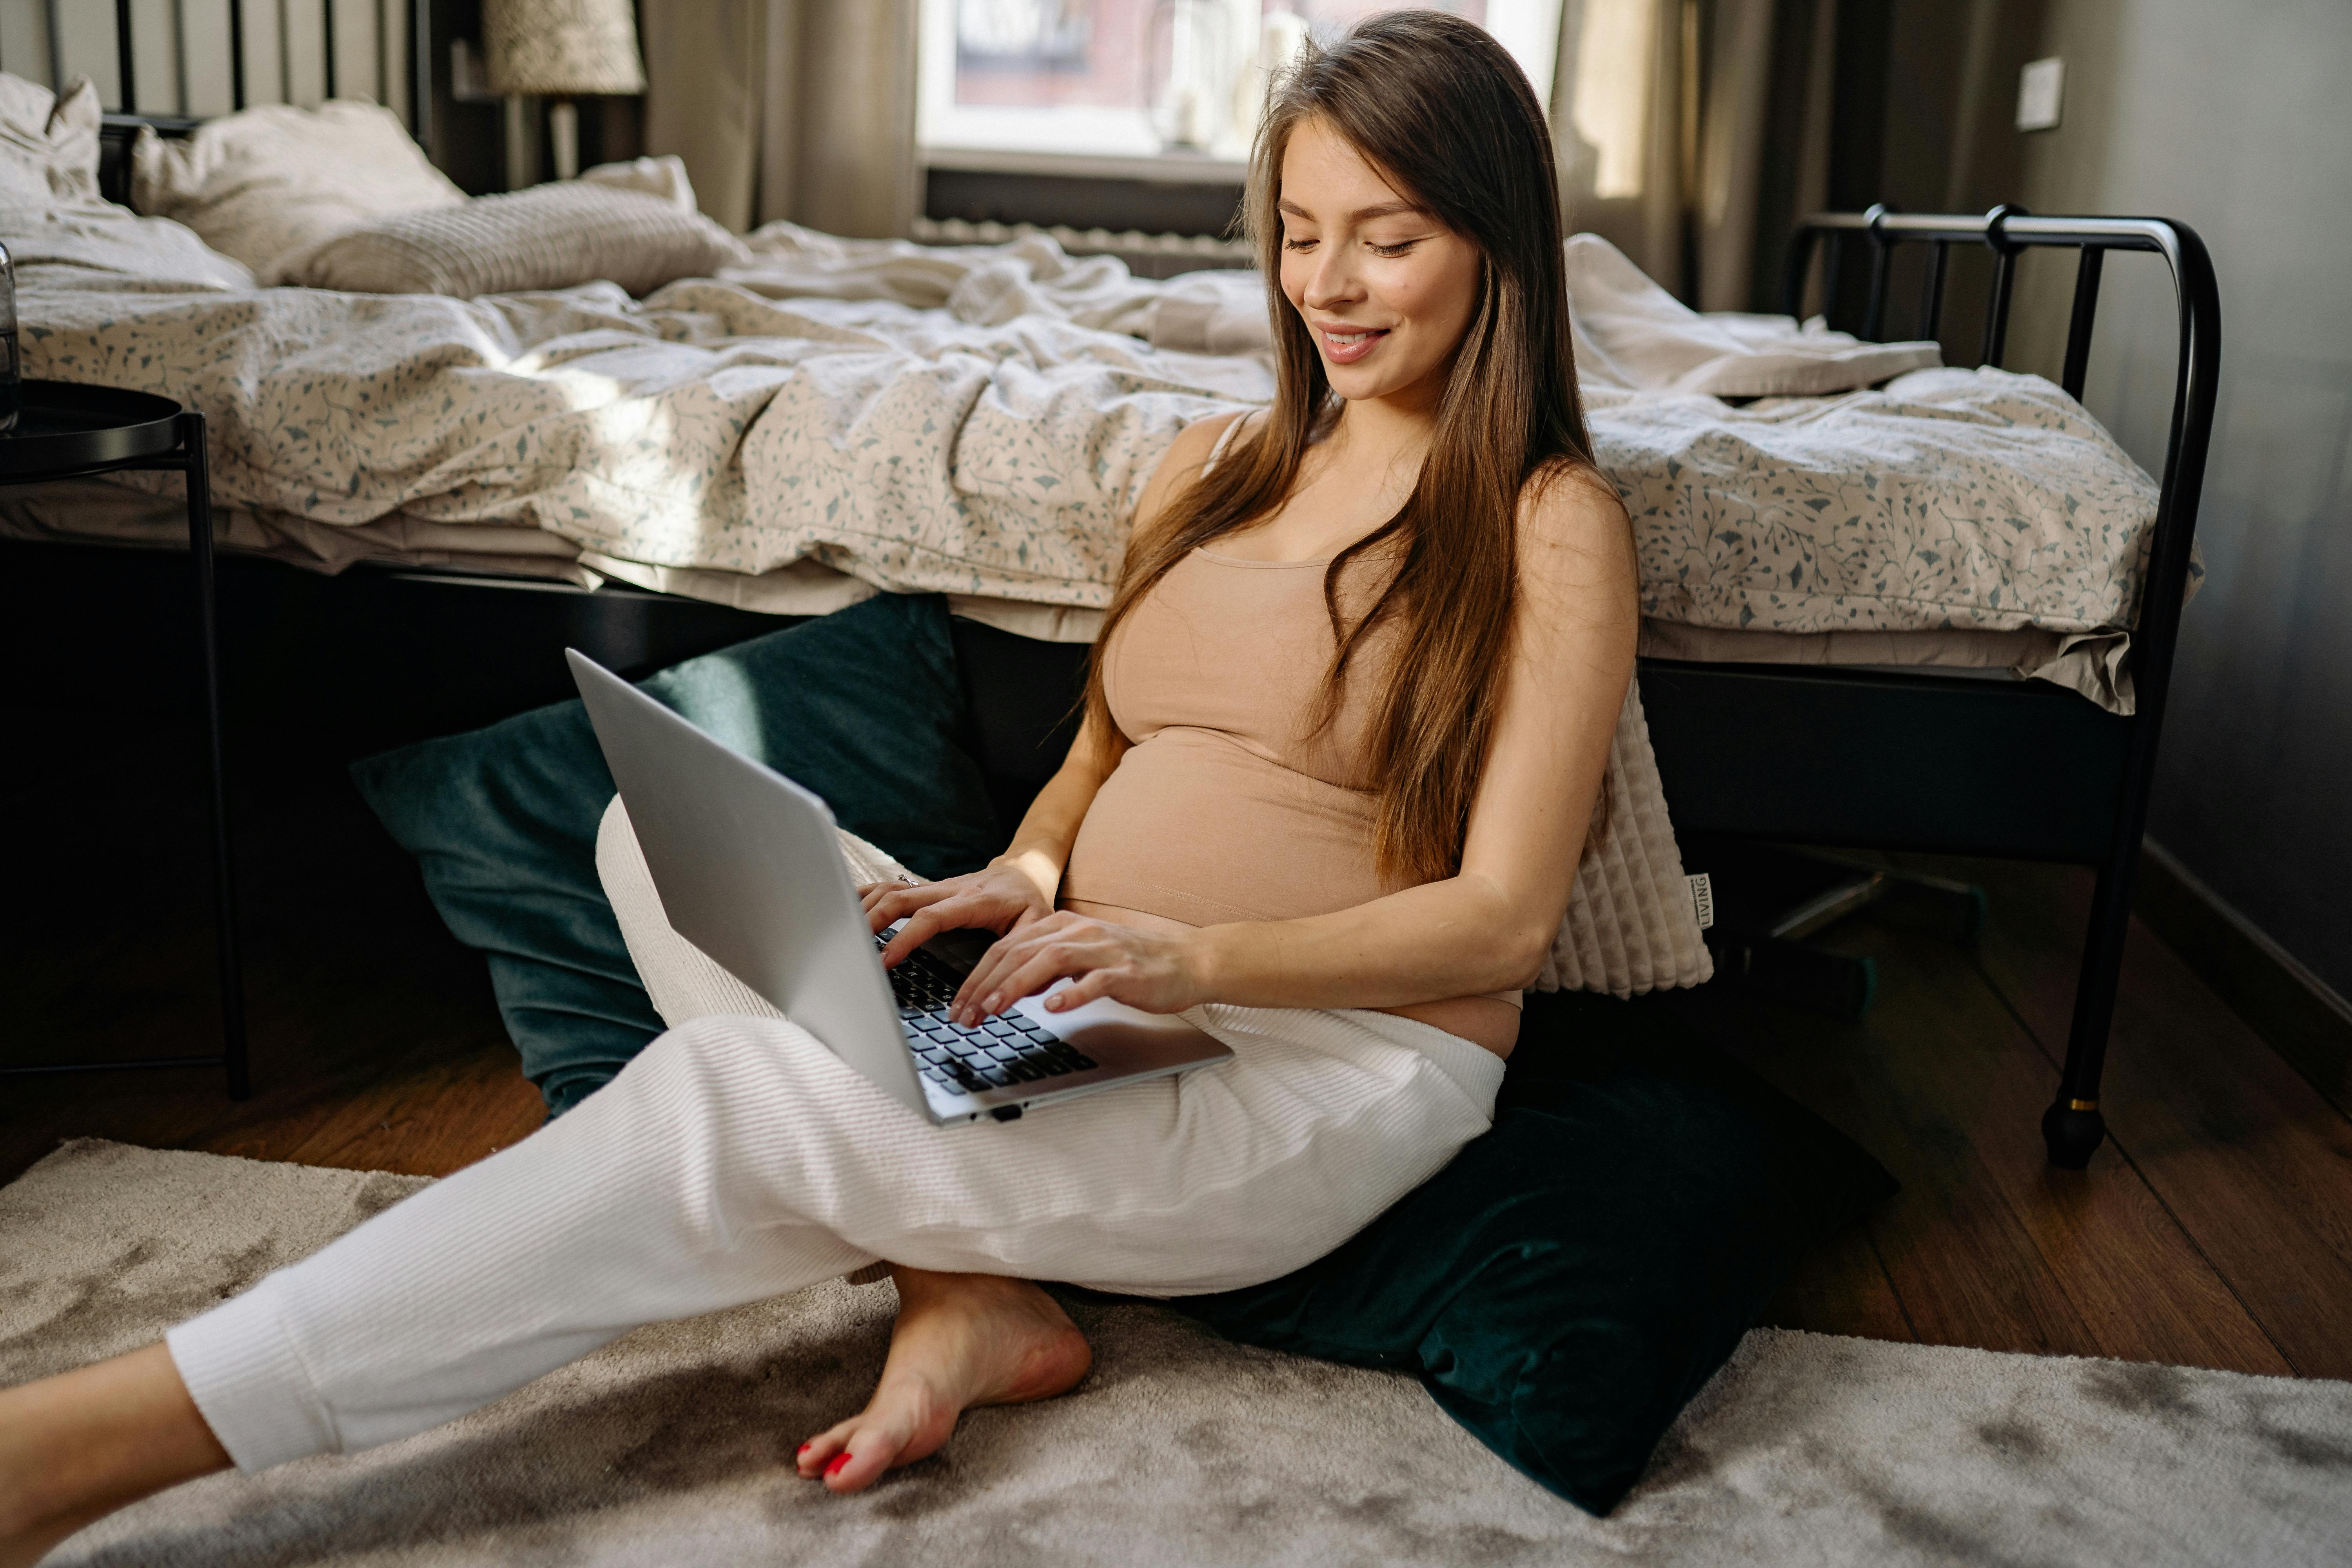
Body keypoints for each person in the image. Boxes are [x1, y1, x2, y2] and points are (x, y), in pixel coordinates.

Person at [0, 12, 1637, 1559]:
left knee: (743, 1103)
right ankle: (966, 1289)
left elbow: (1498, 923)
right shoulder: (1208, 470)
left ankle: (68, 1451)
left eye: (1388, 236)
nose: (1327, 285)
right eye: (1298, 230)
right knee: (668, 836)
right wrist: (1029, 875)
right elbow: (1107, 746)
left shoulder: (1549, 521)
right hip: (1086, 1009)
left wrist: (1184, 957)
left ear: (1492, 239)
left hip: (1319, 1066)